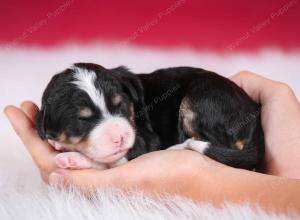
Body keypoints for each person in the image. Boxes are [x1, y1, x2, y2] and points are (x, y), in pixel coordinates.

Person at [4, 71, 300, 214]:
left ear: (127, 95)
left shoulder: (139, 102)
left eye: (118, 108)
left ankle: (216, 146)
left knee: (198, 104)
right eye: (85, 121)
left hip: (216, 107)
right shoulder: (52, 126)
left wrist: (95, 160)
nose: (117, 131)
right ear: (50, 132)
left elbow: (134, 153)